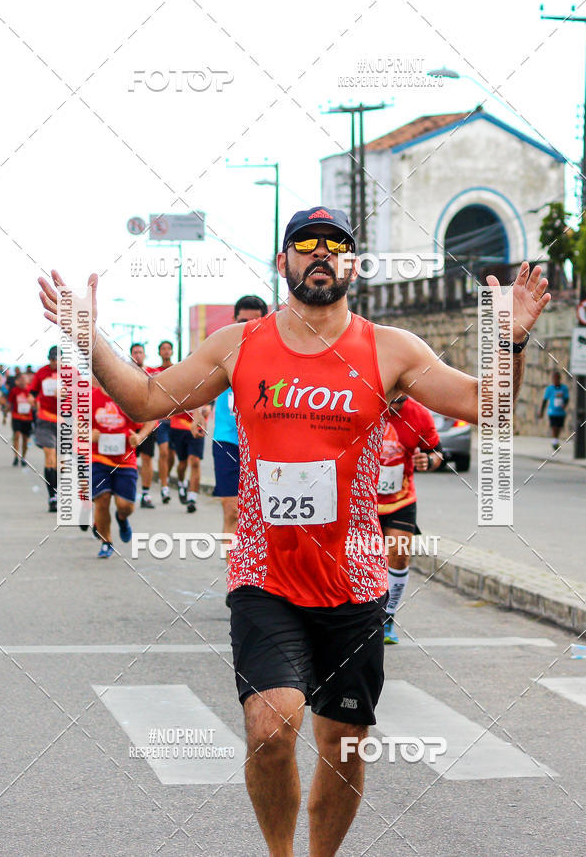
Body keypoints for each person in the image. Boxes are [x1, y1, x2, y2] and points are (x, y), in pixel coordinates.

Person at [38, 205, 550, 857]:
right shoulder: (240, 345)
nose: (319, 253)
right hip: (265, 575)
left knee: (342, 746)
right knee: (271, 725)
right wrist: (88, 335)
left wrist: (509, 338)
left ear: (352, 266)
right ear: (283, 263)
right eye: (304, 244)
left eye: (334, 245)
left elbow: (489, 408)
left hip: (353, 580)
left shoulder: (389, 349)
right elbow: (145, 399)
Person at [377, 395, 442, 644]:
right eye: (390, 401)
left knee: (399, 555)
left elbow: (436, 452)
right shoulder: (363, 404)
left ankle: (387, 619)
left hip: (400, 500)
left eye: (399, 402)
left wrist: (429, 461)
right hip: (363, 500)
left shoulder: (419, 415)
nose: (394, 406)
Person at [213, 296, 268, 540]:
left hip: (264, 444)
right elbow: (197, 387)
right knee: (232, 511)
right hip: (227, 441)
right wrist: (196, 413)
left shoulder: (276, 356)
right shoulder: (222, 353)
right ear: (235, 321)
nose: (249, 327)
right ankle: (234, 577)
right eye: (243, 321)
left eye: (255, 321)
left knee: (264, 517)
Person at [91, 379, 156, 558]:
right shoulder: (90, 398)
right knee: (101, 499)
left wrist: (140, 436)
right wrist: (88, 435)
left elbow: (151, 419)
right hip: (98, 459)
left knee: (125, 506)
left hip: (125, 461)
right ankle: (106, 541)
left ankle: (122, 519)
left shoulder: (127, 398)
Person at [30, 346, 59, 512]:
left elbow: (82, 394)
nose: (54, 363)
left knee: (60, 462)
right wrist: (32, 399)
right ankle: (52, 497)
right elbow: (33, 392)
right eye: (52, 359)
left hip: (65, 421)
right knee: (50, 455)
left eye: (57, 360)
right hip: (45, 419)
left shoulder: (71, 373)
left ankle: (56, 488)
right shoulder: (41, 372)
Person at [129, 342, 158, 507]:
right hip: (130, 424)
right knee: (130, 458)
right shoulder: (125, 373)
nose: (137, 355)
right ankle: (129, 490)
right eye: (135, 352)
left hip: (148, 423)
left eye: (140, 352)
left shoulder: (152, 373)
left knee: (147, 459)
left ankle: (146, 494)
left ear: (145, 355)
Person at [169, 404, 208, 512]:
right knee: (182, 464)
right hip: (179, 426)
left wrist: (206, 410)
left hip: (198, 426)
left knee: (195, 462)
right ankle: (182, 483)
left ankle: (192, 498)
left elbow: (209, 403)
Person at [154, 340, 174, 504]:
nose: (166, 351)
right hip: (162, 420)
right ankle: (164, 486)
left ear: (172, 352)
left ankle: (167, 476)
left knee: (172, 456)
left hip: (178, 421)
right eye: (163, 349)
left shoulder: (178, 370)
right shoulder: (155, 372)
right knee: (164, 452)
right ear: (159, 352)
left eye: (168, 349)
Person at [8, 371, 33, 466]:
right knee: (17, 435)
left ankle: (24, 457)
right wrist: (6, 414)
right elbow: (10, 403)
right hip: (16, 416)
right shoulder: (14, 390)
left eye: (24, 379)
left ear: (27, 381)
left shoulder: (30, 390)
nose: (22, 381)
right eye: (20, 379)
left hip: (27, 418)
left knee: (25, 439)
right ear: (17, 381)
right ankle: (15, 456)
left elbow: (35, 403)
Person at [540, 370, 570, 450]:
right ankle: (554, 441)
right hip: (552, 412)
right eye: (554, 378)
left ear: (560, 379)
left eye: (557, 378)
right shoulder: (549, 389)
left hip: (561, 412)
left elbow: (567, 399)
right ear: (552, 379)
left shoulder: (564, 388)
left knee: (559, 427)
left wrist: (565, 405)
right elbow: (545, 400)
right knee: (554, 426)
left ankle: (556, 440)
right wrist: (542, 411)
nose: (556, 380)